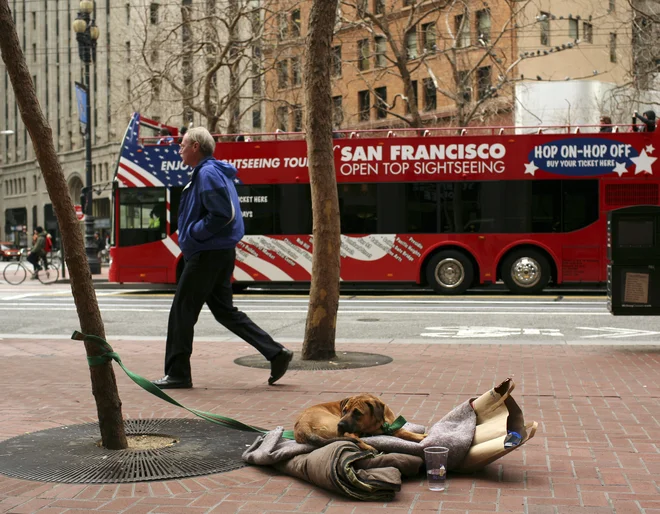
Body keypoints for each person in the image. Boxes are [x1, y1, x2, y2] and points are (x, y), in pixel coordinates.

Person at [151, 126, 293, 389]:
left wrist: (193, 233)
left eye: (183, 144)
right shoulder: (207, 172)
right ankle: (276, 353)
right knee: (225, 312)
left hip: (208, 252)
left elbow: (222, 214)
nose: (179, 149)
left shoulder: (207, 173)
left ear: (196, 146)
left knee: (182, 311)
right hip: (216, 252)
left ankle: (178, 373)